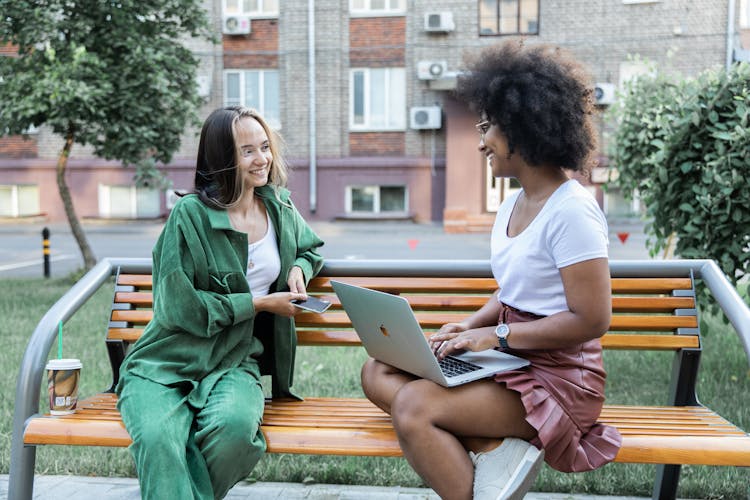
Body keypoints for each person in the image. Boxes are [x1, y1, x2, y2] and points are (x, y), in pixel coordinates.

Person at [360, 40, 622, 500]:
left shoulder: (573, 211)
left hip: (558, 378)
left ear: (523, 127)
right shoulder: (514, 203)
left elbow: (591, 320)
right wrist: (472, 325)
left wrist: (496, 338)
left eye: (488, 128)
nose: (480, 142)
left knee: (415, 406)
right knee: (379, 372)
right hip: (512, 360)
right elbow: (515, 291)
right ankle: (495, 450)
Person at [116, 106, 324, 499]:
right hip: (165, 362)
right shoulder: (189, 216)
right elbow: (178, 308)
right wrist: (259, 305)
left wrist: (299, 267)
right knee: (160, 440)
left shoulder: (279, 207)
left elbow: (313, 249)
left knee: (235, 432)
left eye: (264, 147)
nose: (262, 158)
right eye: (247, 151)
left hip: (234, 361)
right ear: (222, 159)